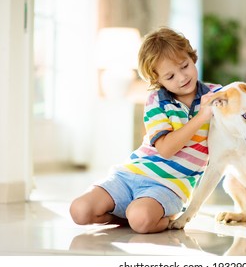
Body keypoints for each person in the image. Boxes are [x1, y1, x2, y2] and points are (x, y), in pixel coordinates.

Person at [69, 27, 220, 234]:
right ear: (158, 80)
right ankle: (130, 216)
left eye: (184, 66)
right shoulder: (156, 100)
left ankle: (152, 216)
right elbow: (166, 149)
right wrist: (202, 116)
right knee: (79, 210)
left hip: (169, 186)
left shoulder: (216, 95)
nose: (181, 78)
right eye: (170, 76)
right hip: (131, 174)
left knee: (140, 219)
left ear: (192, 58)